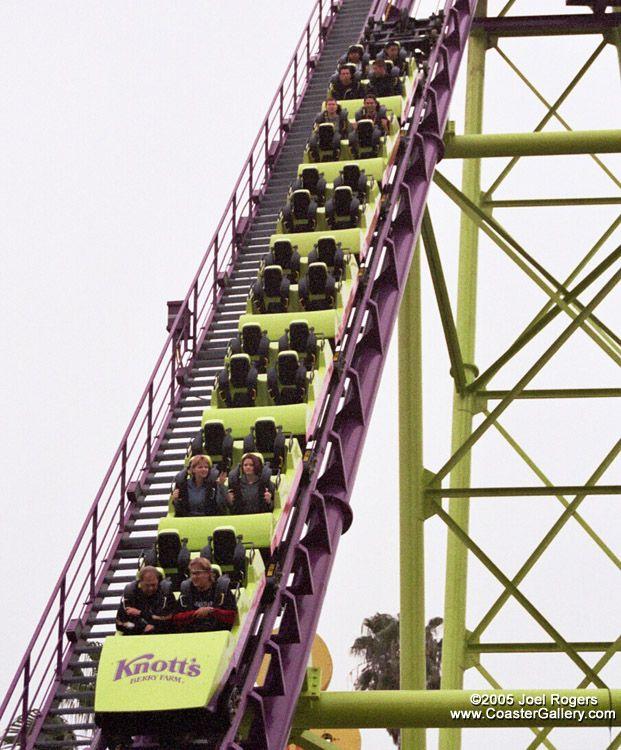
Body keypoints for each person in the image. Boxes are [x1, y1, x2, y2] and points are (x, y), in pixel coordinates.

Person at [172, 557, 237, 632]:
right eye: (192, 573)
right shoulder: (186, 590)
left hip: (219, 634)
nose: (194, 577)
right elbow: (176, 618)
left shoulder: (222, 590)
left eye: (197, 573)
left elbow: (233, 617)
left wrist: (212, 611)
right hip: (193, 634)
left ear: (208, 573)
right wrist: (195, 614)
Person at [115, 566, 176, 635]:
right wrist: (142, 627)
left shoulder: (166, 595)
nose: (150, 588)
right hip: (137, 635)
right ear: (140, 582)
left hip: (162, 635)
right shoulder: (130, 594)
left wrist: (140, 613)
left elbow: (171, 620)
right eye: (147, 585)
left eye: (153, 585)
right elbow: (119, 623)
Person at [307, 97, 350, 162]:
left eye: (333, 105)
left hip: (338, 135)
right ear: (326, 107)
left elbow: (346, 128)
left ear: (336, 106)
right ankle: (316, 158)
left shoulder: (341, 117)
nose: (331, 107)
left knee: (337, 137)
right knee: (312, 139)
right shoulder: (320, 117)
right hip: (323, 136)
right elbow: (316, 129)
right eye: (329, 105)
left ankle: (335, 157)